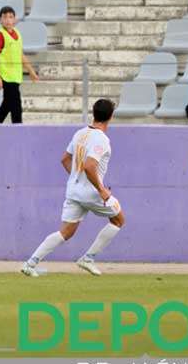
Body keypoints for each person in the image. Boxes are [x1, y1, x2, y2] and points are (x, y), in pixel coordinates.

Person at [22, 99, 123, 277]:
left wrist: (76, 179)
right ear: (111, 117)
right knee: (118, 220)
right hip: (91, 192)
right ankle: (88, 259)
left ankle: (30, 264)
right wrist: (101, 190)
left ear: (93, 113)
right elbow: (90, 166)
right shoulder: (102, 140)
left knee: (66, 232)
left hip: (73, 190)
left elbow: (65, 159)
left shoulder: (80, 133)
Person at [0, 6, 38, 124]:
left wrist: (31, 71)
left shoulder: (17, 34)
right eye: (5, 17)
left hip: (16, 76)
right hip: (5, 75)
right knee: (16, 106)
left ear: (15, 20)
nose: (8, 20)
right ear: (0, 20)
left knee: (6, 105)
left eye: (11, 17)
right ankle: (18, 129)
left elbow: (20, 54)